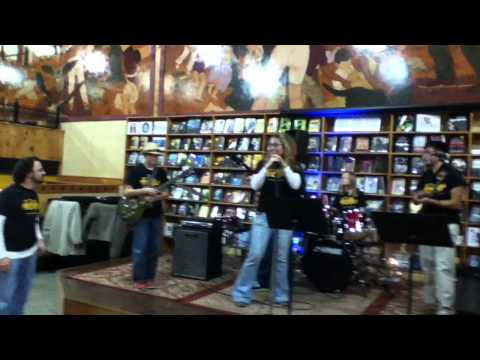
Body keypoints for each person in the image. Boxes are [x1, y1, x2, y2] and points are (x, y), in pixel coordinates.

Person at [232, 134, 304, 307]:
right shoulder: (262, 164)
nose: (272, 148)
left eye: (276, 145)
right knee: (255, 254)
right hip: (263, 216)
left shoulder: (295, 167)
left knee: (281, 259)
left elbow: (296, 185)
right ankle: (241, 293)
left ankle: (280, 296)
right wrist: (266, 167)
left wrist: (284, 166)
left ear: (285, 147)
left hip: (286, 218)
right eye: (270, 145)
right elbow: (255, 185)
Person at [413, 141, 466, 315]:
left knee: (444, 267)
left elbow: (456, 204)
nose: (424, 155)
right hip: (426, 223)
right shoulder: (426, 174)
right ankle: (432, 302)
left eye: (428, 152)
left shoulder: (453, 174)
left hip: (446, 223)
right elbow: (416, 195)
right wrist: (418, 196)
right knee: (427, 265)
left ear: (439, 155)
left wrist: (431, 200)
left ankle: (445, 307)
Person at [0, 157, 47, 315]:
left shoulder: (33, 194)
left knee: (22, 296)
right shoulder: (7, 195)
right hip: (11, 257)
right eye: (40, 170)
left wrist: (39, 238)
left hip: (30, 253)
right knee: (5, 300)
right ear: (28, 173)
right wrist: (2, 256)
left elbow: (34, 219)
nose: (44, 172)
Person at [124, 142, 169, 290]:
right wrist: (144, 191)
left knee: (155, 248)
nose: (155, 158)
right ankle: (139, 278)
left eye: (157, 156)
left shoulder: (161, 172)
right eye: (152, 155)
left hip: (156, 214)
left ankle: (150, 277)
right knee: (140, 247)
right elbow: (127, 192)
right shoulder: (136, 171)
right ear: (145, 155)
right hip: (140, 214)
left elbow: (166, 193)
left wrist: (155, 198)